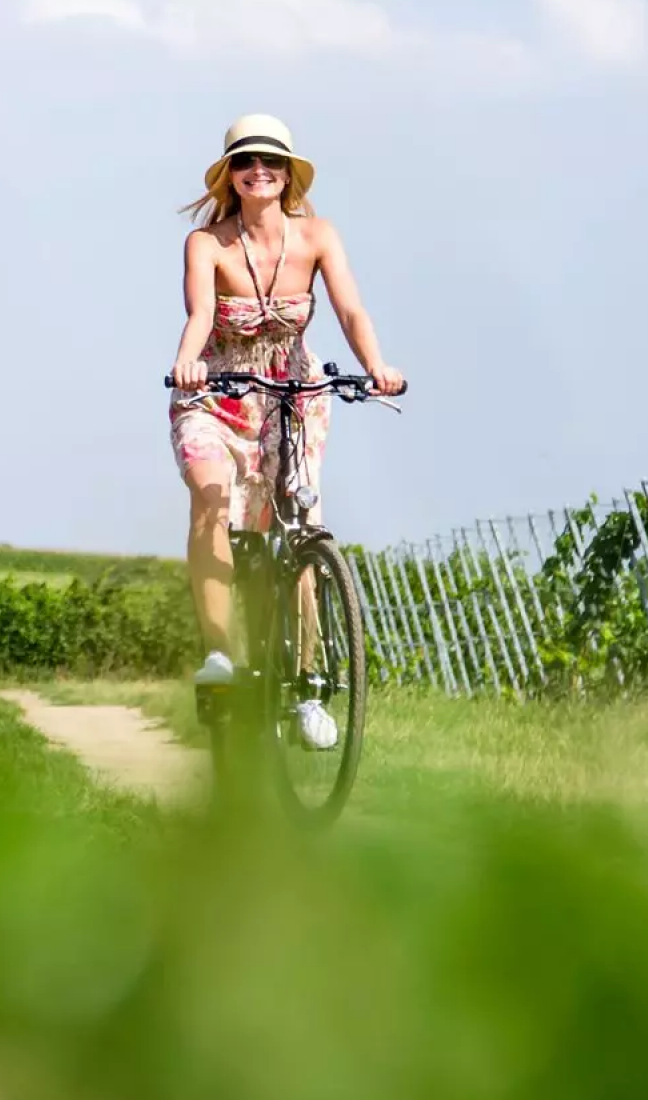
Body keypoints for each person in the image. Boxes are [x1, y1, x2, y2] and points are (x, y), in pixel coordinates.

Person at [165, 114, 405, 751]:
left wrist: (376, 366)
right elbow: (201, 315)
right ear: (231, 177)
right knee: (211, 497)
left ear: (288, 173)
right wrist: (188, 364)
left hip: (292, 395)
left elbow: (350, 307)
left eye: (270, 160)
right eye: (245, 162)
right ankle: (219, 657)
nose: (258, 170)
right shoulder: (207, 244)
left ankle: (308, 683)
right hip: (218, 391)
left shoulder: (319, 236)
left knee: (301, 533)